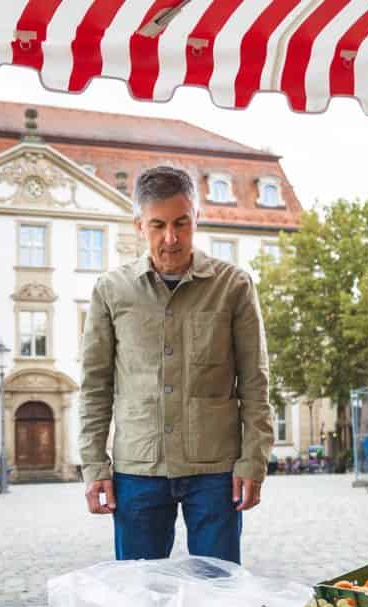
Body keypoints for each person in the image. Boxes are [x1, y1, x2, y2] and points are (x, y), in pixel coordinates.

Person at [79, 166, 274, 564]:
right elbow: (95, 386)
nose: (171, 238)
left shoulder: (233, 286)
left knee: (218, 593)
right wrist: (94, 465)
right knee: (140, 595)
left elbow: (255, 382)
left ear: (196, 219)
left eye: (182, 224)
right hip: (138, 470)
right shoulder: (111, 290)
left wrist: (253, 460)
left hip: (216, 471)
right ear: (139, 225)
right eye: (158, 225)